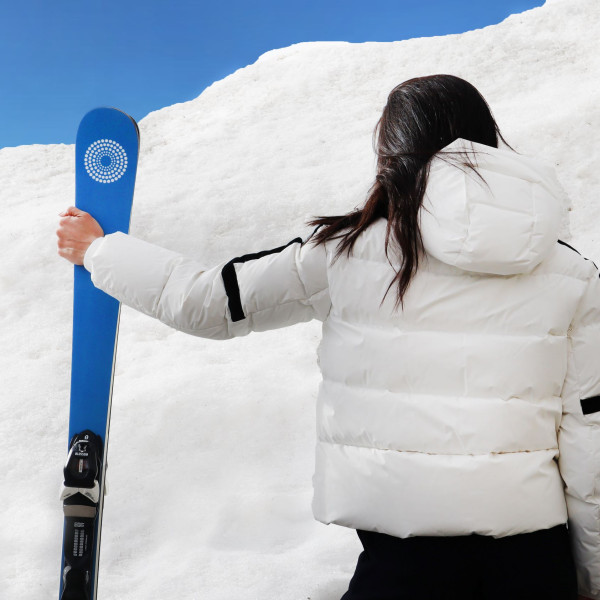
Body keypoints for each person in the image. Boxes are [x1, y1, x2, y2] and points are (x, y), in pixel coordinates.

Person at [57, 74, 600, 600]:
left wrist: (100, 251)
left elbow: (209, 304)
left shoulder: (343, 255)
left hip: (403, 567)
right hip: (536, 562)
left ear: (392, 155)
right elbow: (589, 435)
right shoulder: (573, 274)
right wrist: (591, 577)